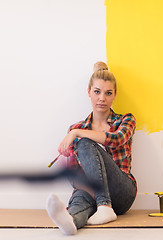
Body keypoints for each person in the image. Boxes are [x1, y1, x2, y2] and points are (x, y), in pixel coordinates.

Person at [46, 62, 137, 235]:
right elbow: (74, 175)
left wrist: (76, 133)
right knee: (80, 199)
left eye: (108, 93)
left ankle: (105, 207)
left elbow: (116, 139)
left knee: (85, 142)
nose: (102, 98)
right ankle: (70, 221)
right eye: (97, 92)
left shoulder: (126, 120)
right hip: (91, 190)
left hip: (122, 193)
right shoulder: (77, 128)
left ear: (114, 96)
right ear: (89, 93)